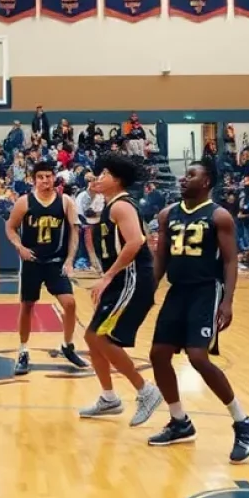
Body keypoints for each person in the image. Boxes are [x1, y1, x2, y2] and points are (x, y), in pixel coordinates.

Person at [149, 162, 249, 461]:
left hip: (206, 291)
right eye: (184, 175)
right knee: (158, 354)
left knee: (198, 357)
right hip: (177, 291)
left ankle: (243, 422)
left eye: (192, 175)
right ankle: (179, 422)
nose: (184, 179)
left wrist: (228, 301)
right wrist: (149, 289)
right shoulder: (167, 214)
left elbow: (230, 261)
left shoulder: (219, 215)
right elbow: (161, 257)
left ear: (207, 181)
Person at [78, 153, 163, 426]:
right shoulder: (110, 205)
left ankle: (146, 390)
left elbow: (136, 241)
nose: (98, 177)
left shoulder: (122, 206)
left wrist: (108, 277)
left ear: (116, 179)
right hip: (121, 280)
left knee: (102, 338)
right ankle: (109, 398)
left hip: (133, 279)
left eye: (103, 174)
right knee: (92, 337)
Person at [6, 160, 87, 373]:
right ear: (34, 180)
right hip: (31, 262)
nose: (45, 180)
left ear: (54, 178)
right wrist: (19, 246)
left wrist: (70, 260)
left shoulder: (65, 202)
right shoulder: (24, 202)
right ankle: (23, 350)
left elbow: (75, 232)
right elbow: (10, 228)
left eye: (48, 176)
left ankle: (68, 345)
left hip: (55, 262)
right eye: (41, 177)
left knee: (69, 304)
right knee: (27, 306)